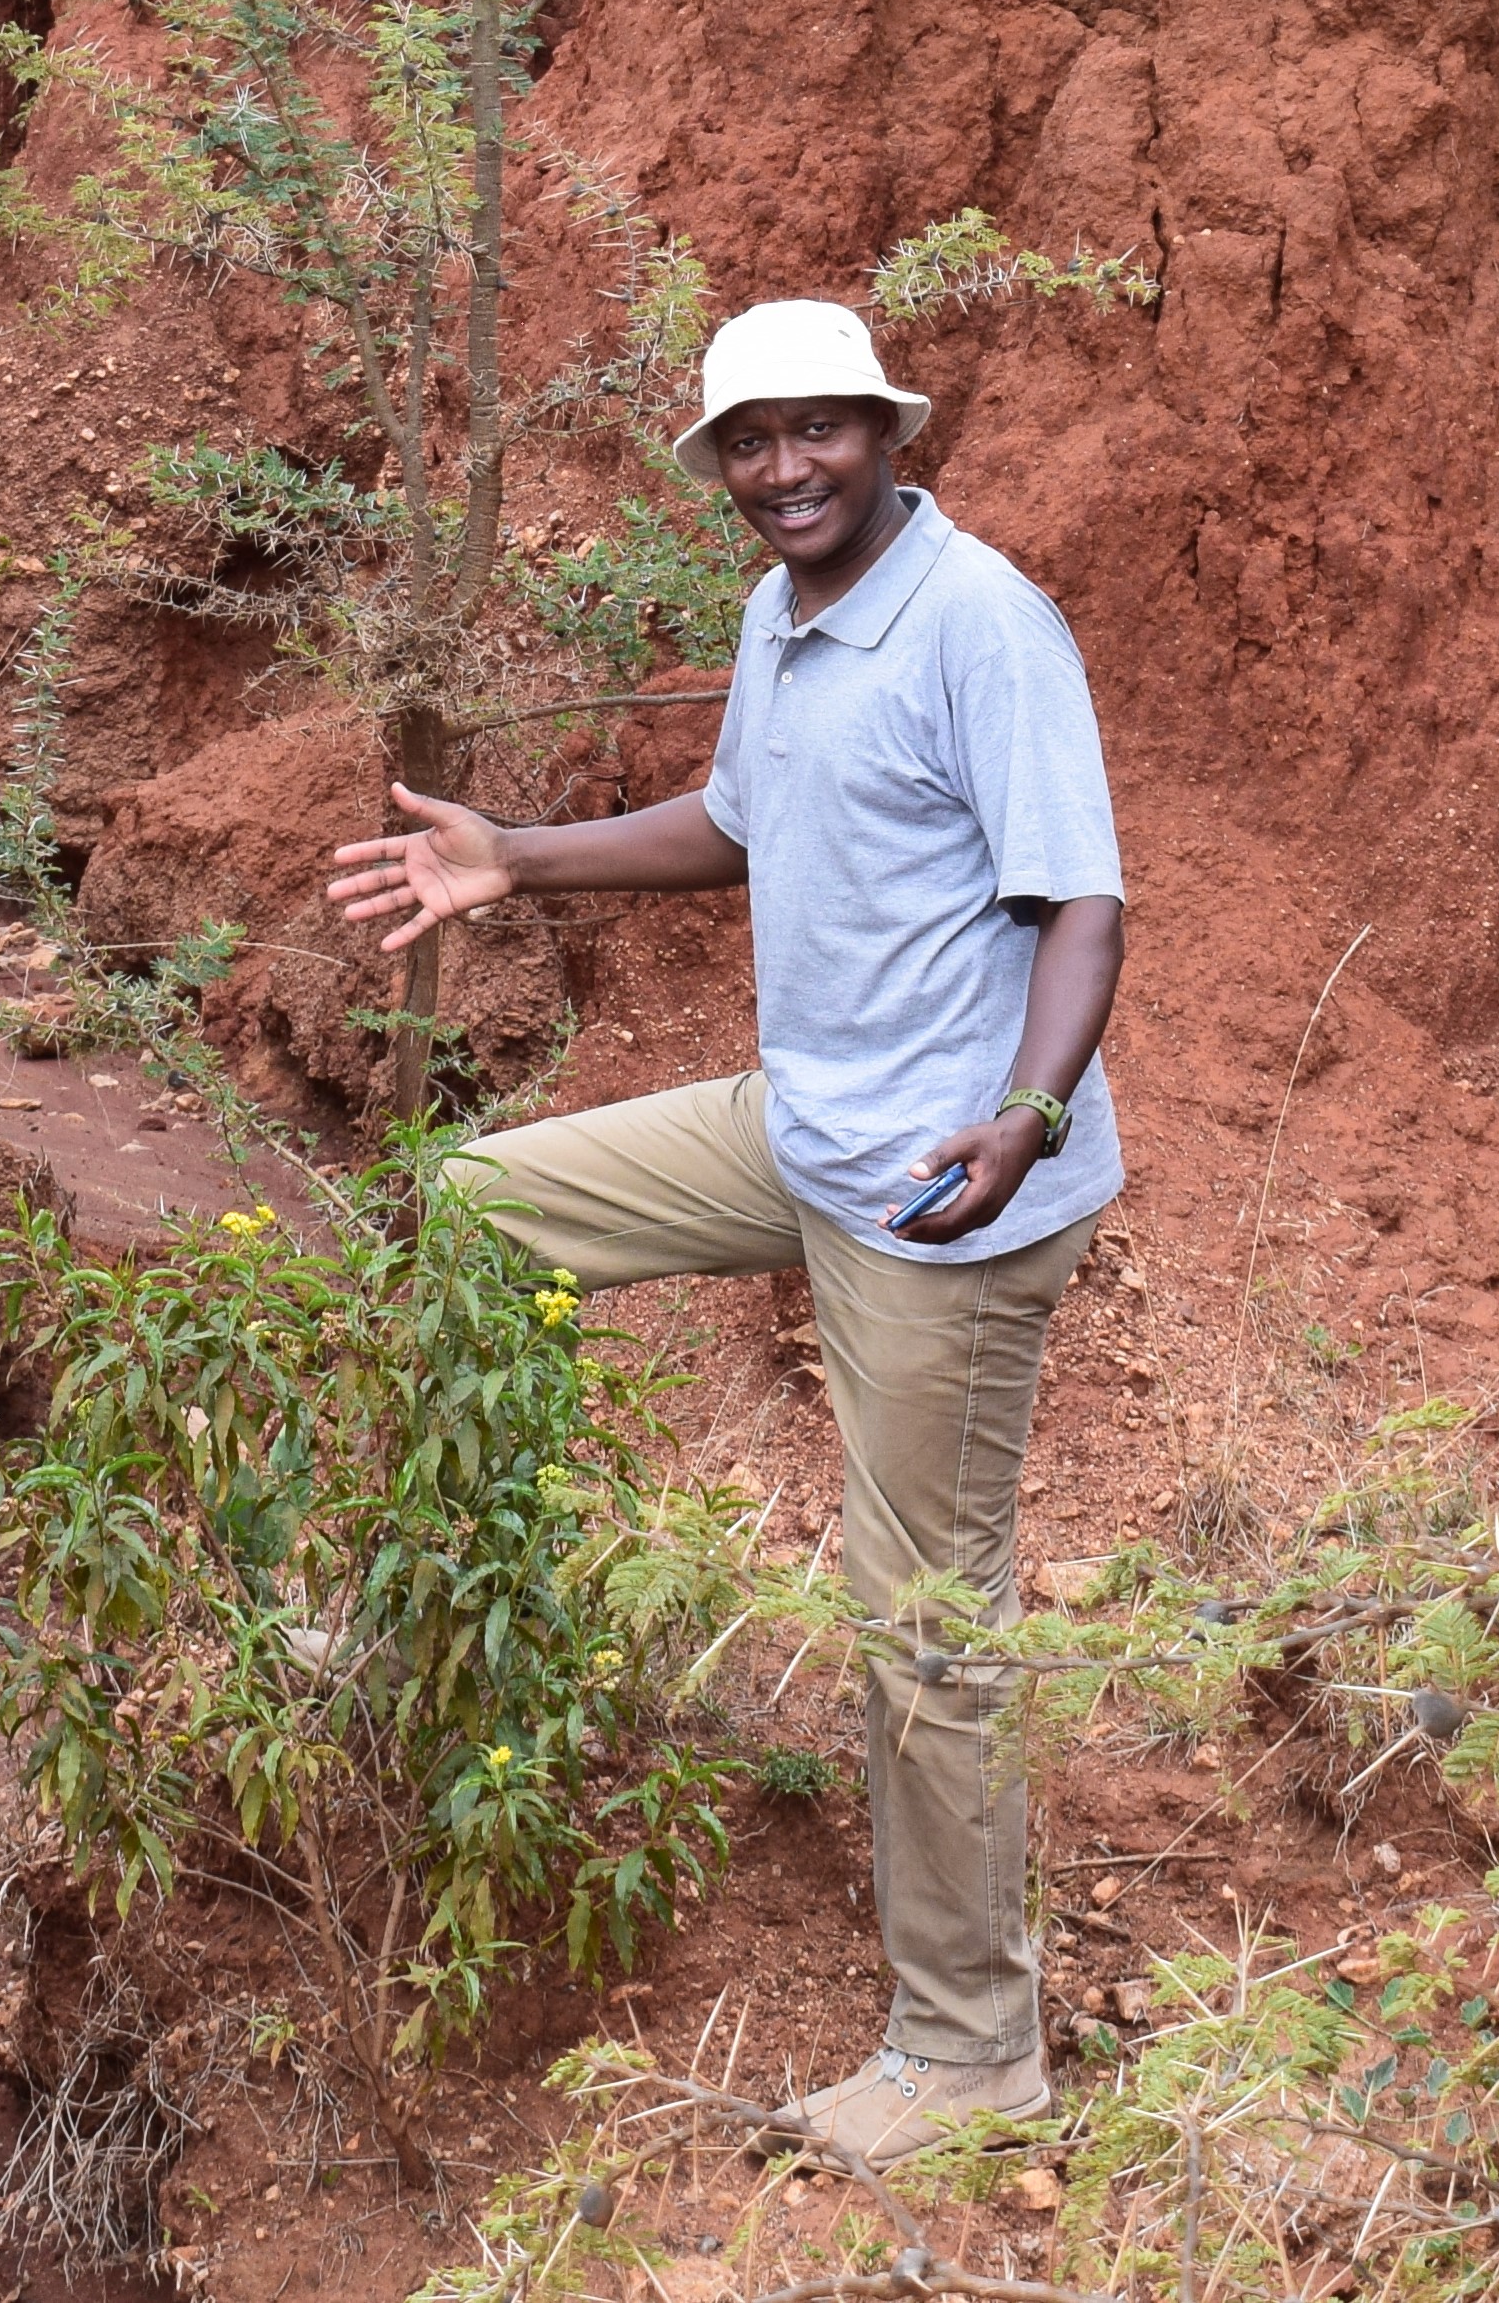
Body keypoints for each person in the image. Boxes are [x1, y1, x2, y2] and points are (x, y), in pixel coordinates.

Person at [328, 296, 1127, 2169]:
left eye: (813, 433)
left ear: (884, 432)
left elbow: (1081, 905)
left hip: (943, 1189)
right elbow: (741, 822)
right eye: (746, 445)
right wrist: (514, 853)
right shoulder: (789, 614)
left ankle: (969, 2052)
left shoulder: (981, 626)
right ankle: (446, 1630)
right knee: (471, 1212)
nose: (781, 471)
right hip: (807, 1129)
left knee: (921, 1618)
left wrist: (1022, 1115)